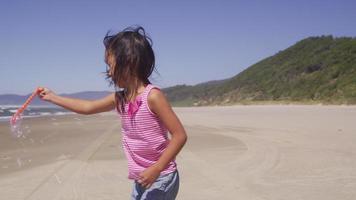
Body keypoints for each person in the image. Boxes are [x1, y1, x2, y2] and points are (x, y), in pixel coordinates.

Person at [39, 26, 187, 200]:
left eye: (110, 65)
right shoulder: (120, 98)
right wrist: (53, 97)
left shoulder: (153, 96)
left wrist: (157, 168)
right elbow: (88, 107)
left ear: (129, 62)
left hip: (161, 177)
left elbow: (179, 136)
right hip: (142, 179)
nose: (108, 71)